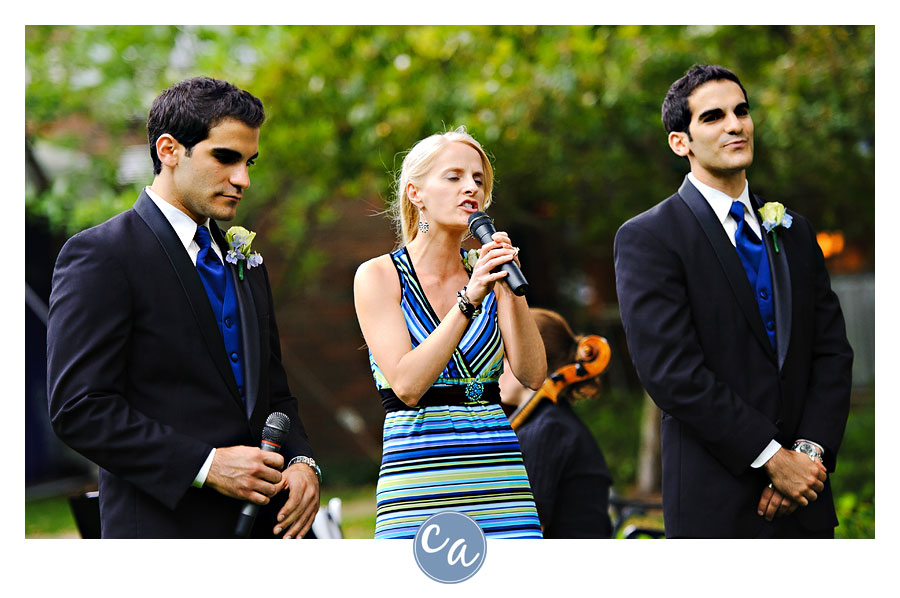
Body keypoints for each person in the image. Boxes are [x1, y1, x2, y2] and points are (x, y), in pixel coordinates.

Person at [47, 76, 320, 538]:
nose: (243, 179)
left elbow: (275, 394)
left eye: (249, 161)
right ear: (170, 150)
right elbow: (79, 408)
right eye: (226, 157)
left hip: (271, 533)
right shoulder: (102, 255)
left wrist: (302, 461)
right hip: (163, 530)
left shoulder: (245, 260)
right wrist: (206, 465)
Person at [613, 64, 853, 538]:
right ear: (680, 142)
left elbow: (831, 353)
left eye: (741, 111)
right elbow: (672, 372)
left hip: (805, 498)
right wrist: (771, 458)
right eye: (713, 116)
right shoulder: (649, 237)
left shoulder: (796, 231)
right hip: (715, 502)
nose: (735, 124)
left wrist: (806, 456)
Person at [354, 127, 547, 538]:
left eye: (478, 179)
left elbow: (532, 375)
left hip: (500, 479)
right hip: (418, 480)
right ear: (415, 193)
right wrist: (470, 297)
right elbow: (407, 384)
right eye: (454, 176)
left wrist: (506, 287)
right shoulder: (378, 276)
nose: (470, 188)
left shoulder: (489, 274)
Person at [499, 308, 613, 538]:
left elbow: (526, 532)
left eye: (503, 356)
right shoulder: (551, 422)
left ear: (529, 359)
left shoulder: (546, 430)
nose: (493, 368)